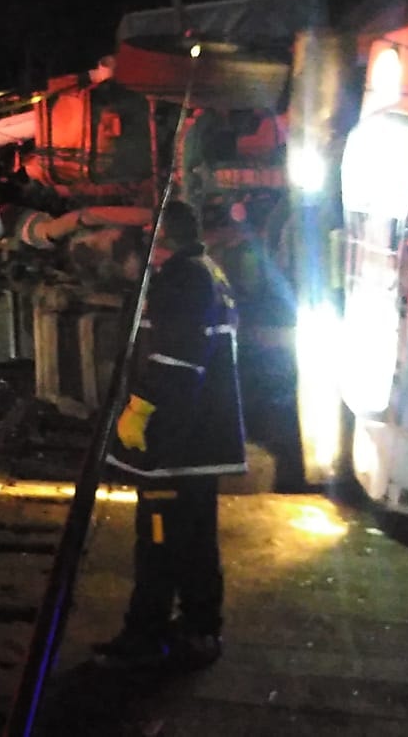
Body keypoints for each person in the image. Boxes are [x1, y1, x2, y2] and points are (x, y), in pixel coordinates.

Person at [95, 199, 247, 671]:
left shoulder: (181, 280)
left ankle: (148, 633)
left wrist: (139, 412)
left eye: (148, 239)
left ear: (162, 241)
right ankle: (200, 627)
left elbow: (176, 359)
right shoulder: (204, 272)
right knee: (195, 540)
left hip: (175, 445)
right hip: (196, 443)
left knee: (159, 538)